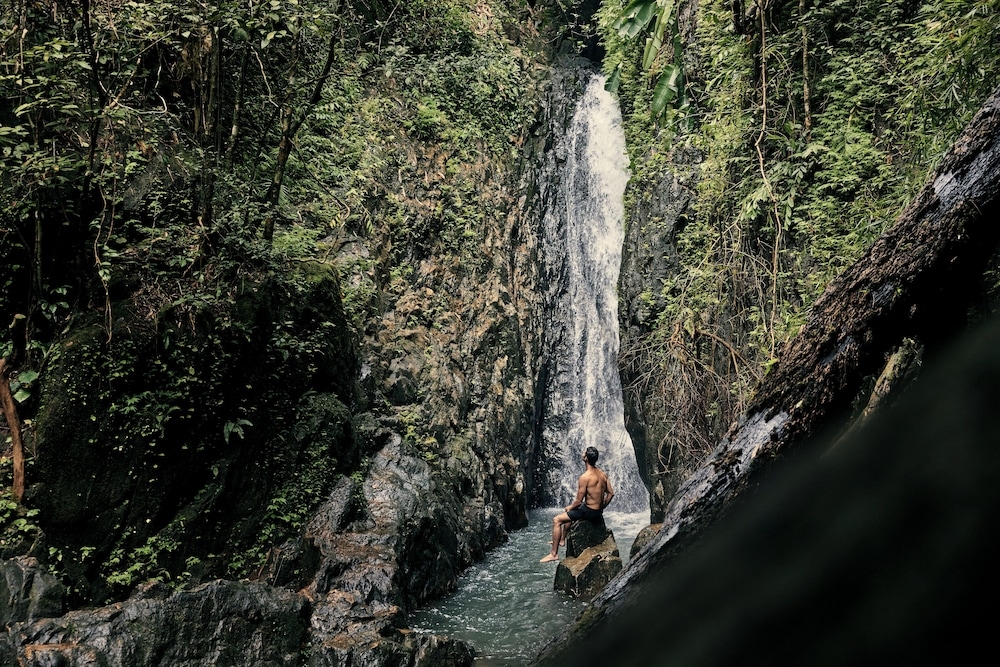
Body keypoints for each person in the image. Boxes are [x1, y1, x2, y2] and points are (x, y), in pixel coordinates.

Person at [540, 446, 615, 563]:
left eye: (584, 452)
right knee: (571, 513)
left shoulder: (584, 477)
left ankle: (553, 554)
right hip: (596, 512)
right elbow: (611, 494)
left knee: (557, 520)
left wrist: (570, 507)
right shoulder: (603, 474)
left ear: (585, 458)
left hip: (588, 512)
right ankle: (562, 540)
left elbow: (578, 501)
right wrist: (601, 507)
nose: (582, 453)